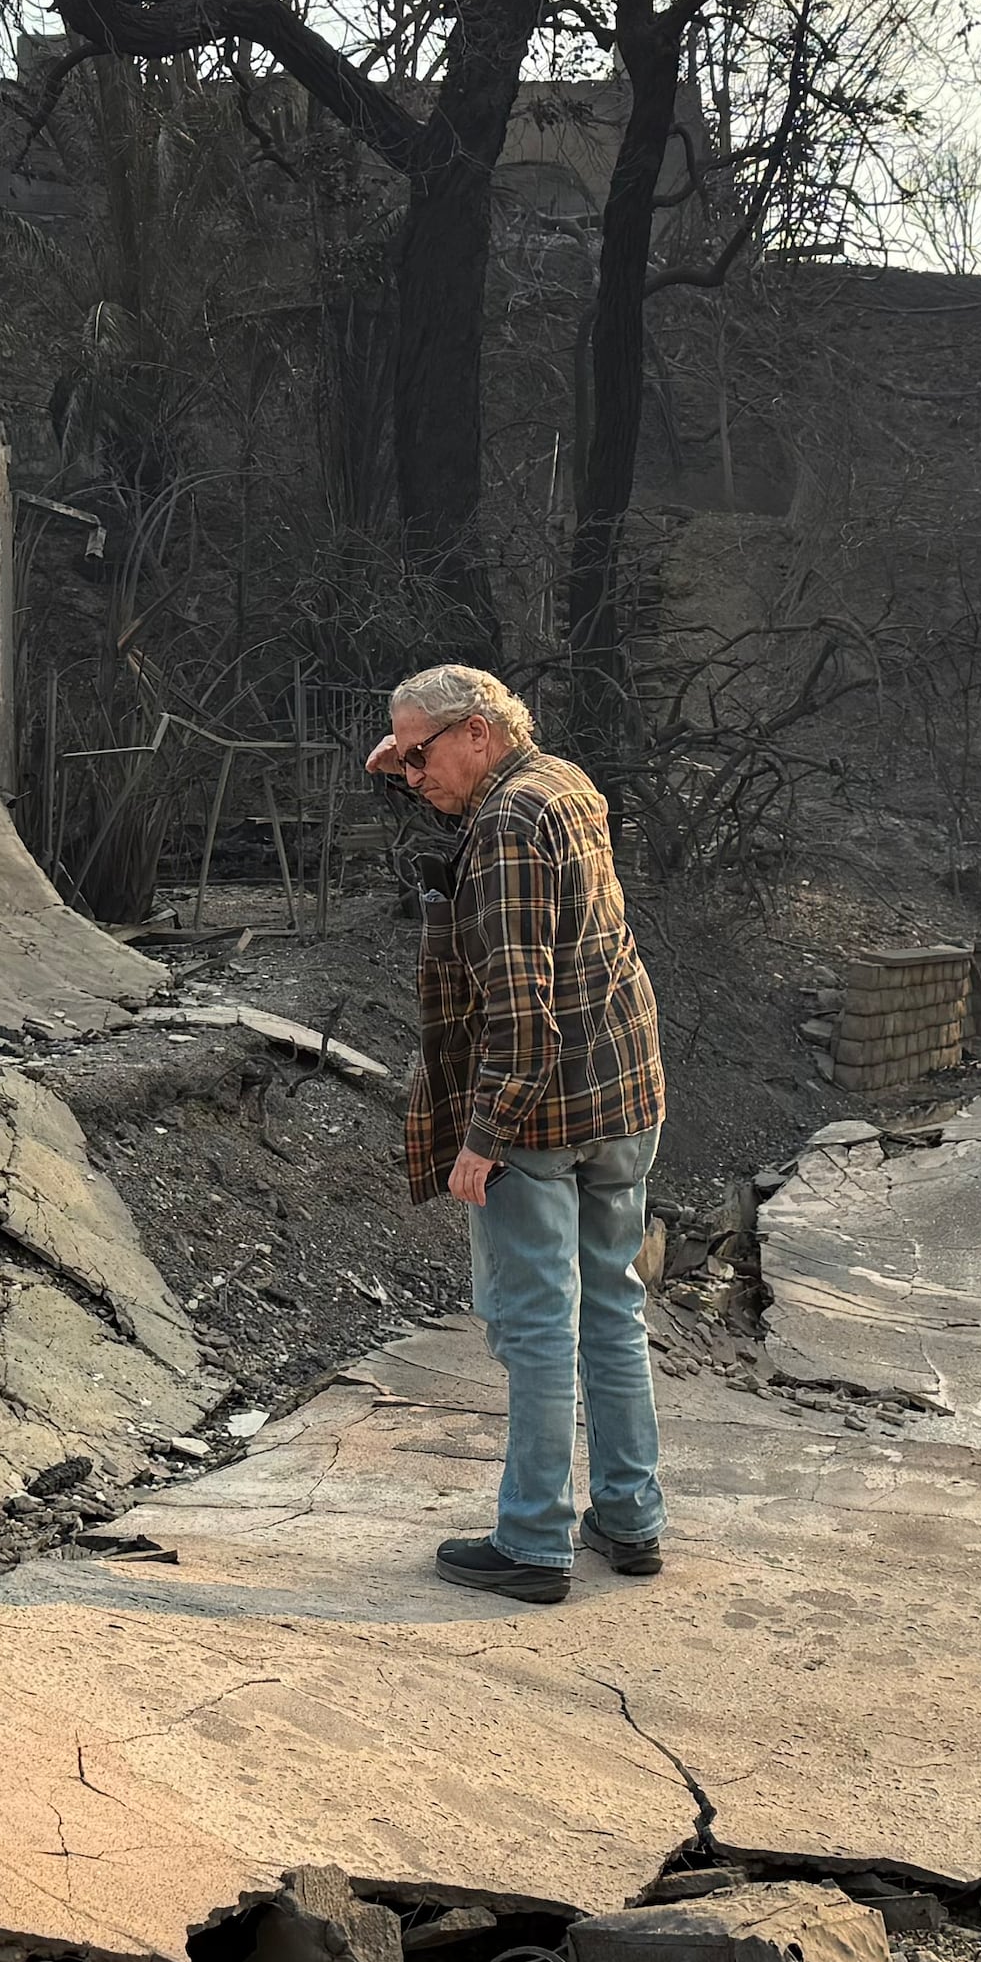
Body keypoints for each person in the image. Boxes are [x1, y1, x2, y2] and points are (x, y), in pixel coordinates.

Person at [367, 661, 667, 1602]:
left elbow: (520, 1010)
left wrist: (481, 1136)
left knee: (536, 1328)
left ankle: (533, 1543)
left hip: (542, 1113)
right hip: (624, 1098)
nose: (414, 776)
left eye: (421, 756)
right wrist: (401, 761)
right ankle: (630, 1519)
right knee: (611, 1309)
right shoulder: (564, 784)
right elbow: (473, 829)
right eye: (404, 762)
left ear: (479, 735)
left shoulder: (503, 825)